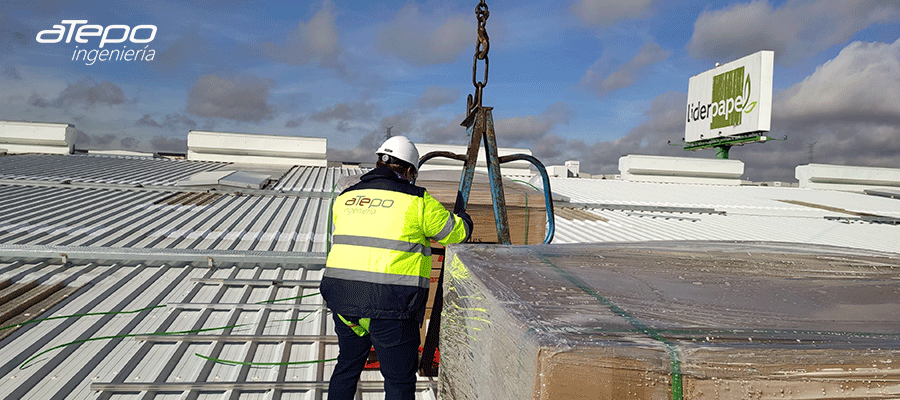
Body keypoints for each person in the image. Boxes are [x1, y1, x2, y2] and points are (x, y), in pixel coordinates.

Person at [320, 136, 473, 400]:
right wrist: (465, 218)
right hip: (392, 306)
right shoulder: (418, 202)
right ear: (410, 170)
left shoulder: (346, 197)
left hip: (345, 302)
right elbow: (455, 233)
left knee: (346, 368)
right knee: (399, 382)